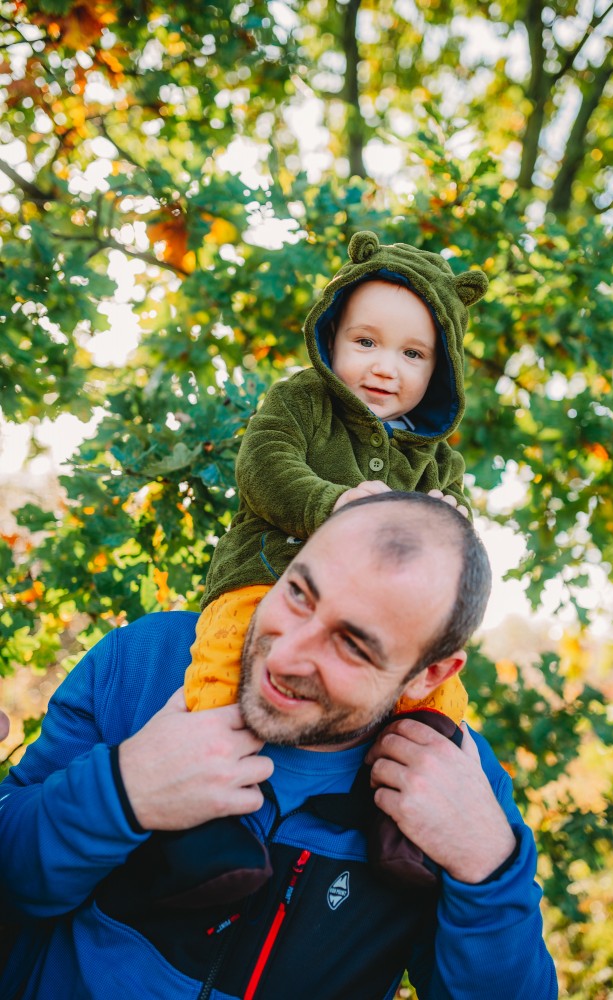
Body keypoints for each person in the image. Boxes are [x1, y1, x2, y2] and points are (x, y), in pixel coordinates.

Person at [0, 493, 558, 1000]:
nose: (286, 656)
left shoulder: (461, 782)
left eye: (352, 644)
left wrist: (488, 867)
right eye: (298, 593)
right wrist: (121, 791)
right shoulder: (144, 665)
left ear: (428, 674)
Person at [184, 229, 490, 726]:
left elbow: (453, 527)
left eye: (412, 354)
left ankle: (404, 774)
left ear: (441, 370)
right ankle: (206, 750)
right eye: (366, 342)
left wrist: (452, 522)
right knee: (226, 657)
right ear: (332, 336)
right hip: (266, 579)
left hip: (371, 619)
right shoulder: (302, 400)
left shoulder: (436, 457)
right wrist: (331, 506)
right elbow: (263, 464)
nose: (385, 368)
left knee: (443, 703)